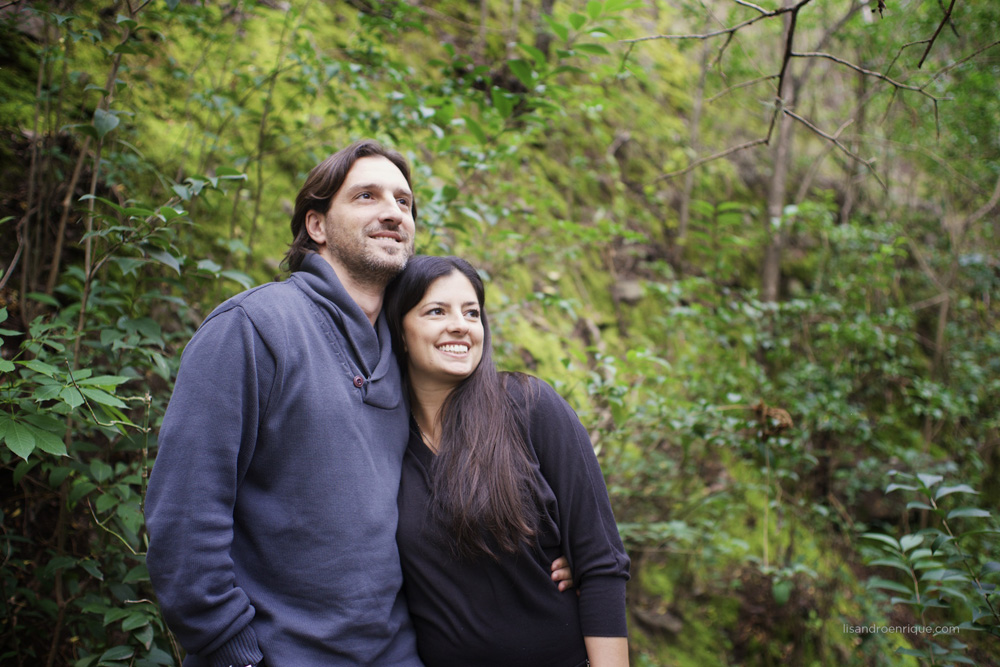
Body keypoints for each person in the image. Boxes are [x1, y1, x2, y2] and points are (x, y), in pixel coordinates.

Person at [144, 140, 572, 667]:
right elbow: (184, 521)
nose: (393, 211)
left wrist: (550, 554)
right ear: (317, 225)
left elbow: (470, 472)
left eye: (404, 202)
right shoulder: (254, 328)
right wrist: (234, 653)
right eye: (367, 196)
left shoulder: (410, 353)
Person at [384, 255, 631, 667]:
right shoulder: (382, 439)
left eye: (472, 312)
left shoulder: (530, 407)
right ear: (401, 332)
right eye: (436, 311)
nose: (460, 324)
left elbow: (601, 564)